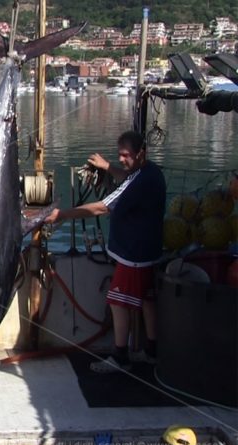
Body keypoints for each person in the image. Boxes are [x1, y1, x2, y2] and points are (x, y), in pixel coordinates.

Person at [44, 131, 166, 373]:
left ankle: (120, 357)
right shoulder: (149, 173)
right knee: (147, 301)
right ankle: (152, 350)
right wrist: (107, 167)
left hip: (133, 257)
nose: (121, 159)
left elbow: (102, 207)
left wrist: (62, 215)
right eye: (119, 155)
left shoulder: (140, 181)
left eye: (126, 155)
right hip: (147, 252)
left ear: (141, 153)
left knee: (118, 303)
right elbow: (127, 178)